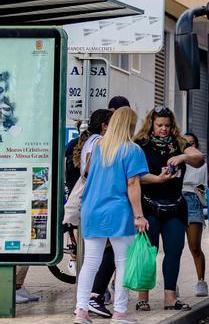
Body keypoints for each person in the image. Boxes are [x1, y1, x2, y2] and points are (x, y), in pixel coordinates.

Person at [74, 107, 151, 324]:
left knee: (90, 262)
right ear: (129, 125)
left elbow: (88, 174)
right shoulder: (132, 150)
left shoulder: (97, 148)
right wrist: (139, 216)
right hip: (118, 211)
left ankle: (81, 311)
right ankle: (119, 313)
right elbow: (133, 183)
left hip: (92, 210)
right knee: (123, 262)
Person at [134, 107, 204, 311]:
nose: (164, 129)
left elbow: (199, 159)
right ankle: (142, 297)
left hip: (175, 206)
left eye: (167, 125)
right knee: (148, 253)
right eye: (160, 125)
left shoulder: (180, 143)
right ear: (152, 125)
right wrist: (158, 178)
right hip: (150, 206)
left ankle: (170, 298)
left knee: (174, 251)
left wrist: (182, 157)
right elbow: (135, 176)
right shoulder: (141, 145)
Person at [71, 108, 118, 318]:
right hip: (99, 204)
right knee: (102, 255)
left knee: (93, 257)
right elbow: (90, 168)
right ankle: (92, 297)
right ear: (104, 126)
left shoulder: (91, 140)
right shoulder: (99, 142)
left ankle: (85, 302)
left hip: (92, 204)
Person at [181, 132, 208, 297]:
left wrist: (202, 191)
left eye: (192, 143)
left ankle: (201, 281)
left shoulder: (202, 164)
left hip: (192, 200)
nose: (189, 146)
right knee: (174, 249)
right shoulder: (175, 160)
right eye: (185, 144)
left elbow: (204, 186)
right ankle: (171, 286)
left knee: (195, 246)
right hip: (176, 199)